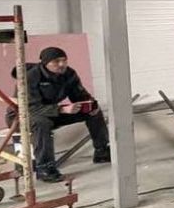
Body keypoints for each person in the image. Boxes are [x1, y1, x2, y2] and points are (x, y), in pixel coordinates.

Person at [16, 46, 110, 183]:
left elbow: (80, 95)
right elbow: (30, 108)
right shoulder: (30, 77)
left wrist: (91, 104)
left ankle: (102, 151)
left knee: (93, 112)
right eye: (56, 61)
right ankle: (45, 168)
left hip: (52, 113)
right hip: (22, 115)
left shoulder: (69, 74)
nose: (62, 64)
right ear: (45, 63)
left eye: (64, 60)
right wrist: (61, 110)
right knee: (42, 123)